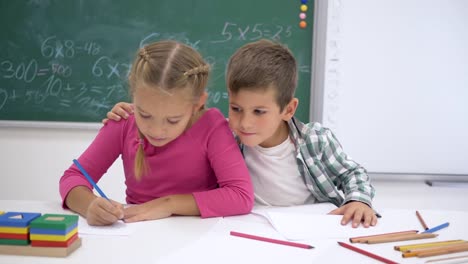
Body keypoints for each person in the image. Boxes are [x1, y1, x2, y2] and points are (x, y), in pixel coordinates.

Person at [105, 39, 377, 228]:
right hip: (250, 229)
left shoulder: (315, 141)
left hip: (309, 227)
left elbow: (352, 174)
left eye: (259, 112)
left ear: (288, 109)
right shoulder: (227, 139)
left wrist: (358, 200)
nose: (244, 122)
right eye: (236, 108)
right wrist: (131, 112)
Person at [60, 40, 254, 226]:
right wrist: (89, 205)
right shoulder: (124, 121)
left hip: (198, 236)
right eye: (144, 115)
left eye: (172, 120)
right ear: (134, 95)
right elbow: (73, 178)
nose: (157, 130)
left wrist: (168, 204)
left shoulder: (212, 127)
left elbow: (241, 196)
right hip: (139, 235)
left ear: (198, 104)